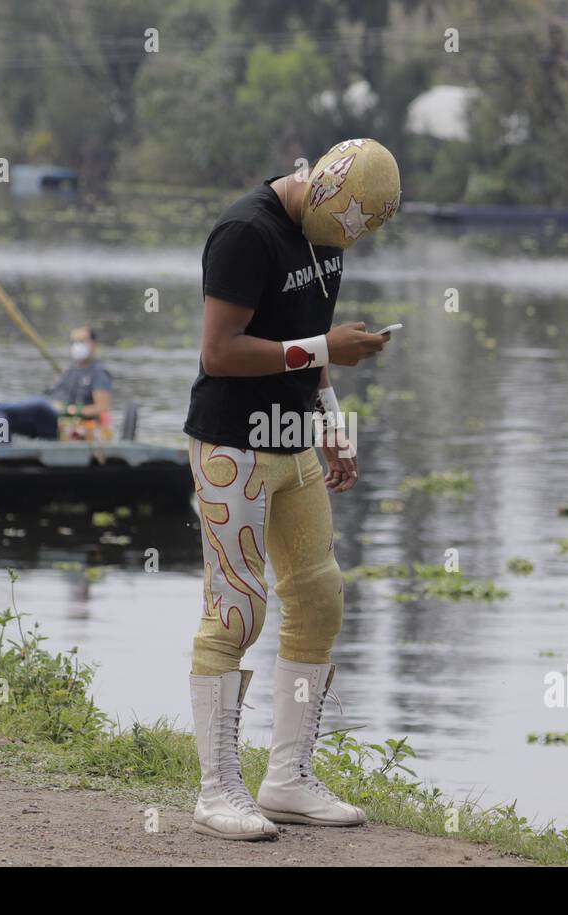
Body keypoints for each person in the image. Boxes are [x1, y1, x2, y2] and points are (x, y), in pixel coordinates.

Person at [183, 138, 401, 841]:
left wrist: (334, 425)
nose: (339, 247)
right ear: (322, 187)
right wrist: (324, 349)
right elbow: (219, 351)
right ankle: (217, 791)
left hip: (293, 439)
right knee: (237, 609)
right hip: (232, 447)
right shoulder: (245, 233)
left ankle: (287, 780)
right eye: (338, 231)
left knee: (317, 598)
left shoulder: (326, 234)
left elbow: (311, 343)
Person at [0, 326, 112, 440]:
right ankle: (2, 451)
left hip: (68, 422)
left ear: (93, 344)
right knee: (3, 416)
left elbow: (100, 408)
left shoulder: (98, 373)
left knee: (39, 404)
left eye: (81, 341)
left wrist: (69, 409)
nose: (76, 346)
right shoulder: (70, 371)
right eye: (73, 342)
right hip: (48, 416)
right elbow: (53, 392)